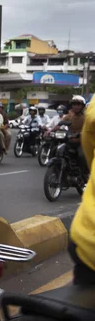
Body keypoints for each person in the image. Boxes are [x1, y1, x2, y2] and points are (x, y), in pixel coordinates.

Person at [69, 99, 95, 285]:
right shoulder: (67, 116)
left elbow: (88, 146)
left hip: (85, 238)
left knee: (80, 156)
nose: (76, 107)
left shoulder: (90, 111)